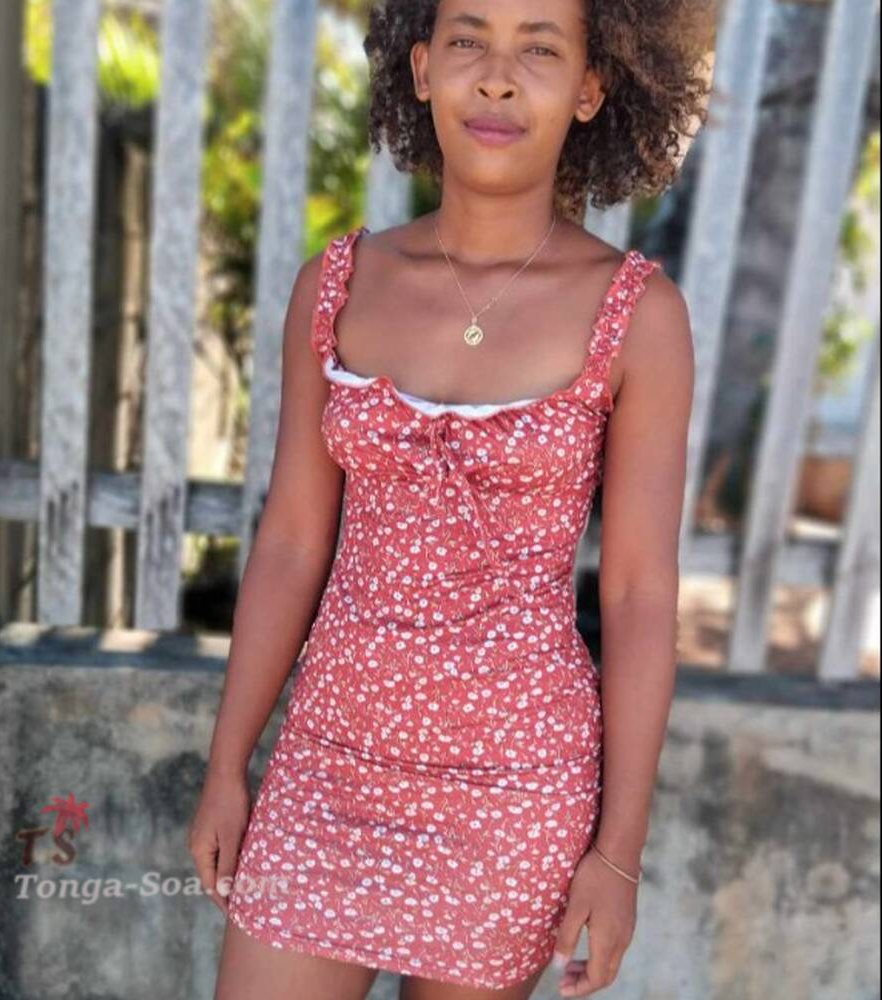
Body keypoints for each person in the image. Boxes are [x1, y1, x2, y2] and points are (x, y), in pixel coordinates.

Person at [190, 0, 707, 997]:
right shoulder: (338, 284)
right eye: (469, 40)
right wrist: (227, 766)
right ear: (422, 69)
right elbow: (291, 542)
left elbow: (640, 596)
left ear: (591, 88)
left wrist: (618, 853)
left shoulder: (638, 316)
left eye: (540, 49)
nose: (498, 77)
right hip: (328, 766)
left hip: (516, 791)